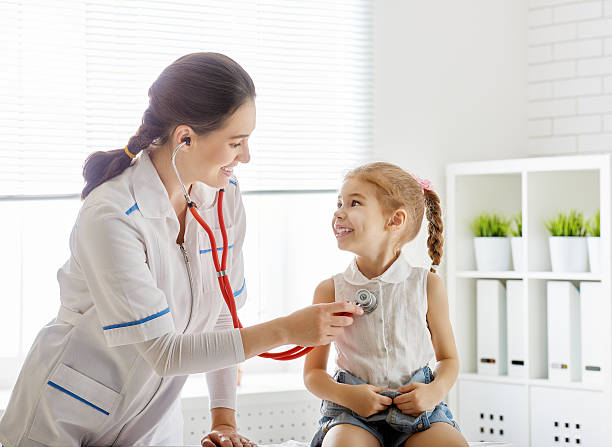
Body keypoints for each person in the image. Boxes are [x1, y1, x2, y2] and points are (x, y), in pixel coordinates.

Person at [0, 52, 363, 447]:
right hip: (64, 417)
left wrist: (224, 419)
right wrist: (286, 329)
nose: (246, 157)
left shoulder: (224, 198)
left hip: (151, 424)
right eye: (235, 143)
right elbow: (163, 352)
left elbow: (222, 315)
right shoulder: (111, 215)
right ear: (185, 138)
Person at [303, 162, 469, 447]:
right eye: (339, 202)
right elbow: (312, 374)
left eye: (354, 202)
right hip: (353, 413)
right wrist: (348, 396)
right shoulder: (330, 290)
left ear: (394, 220)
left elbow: (449, 360)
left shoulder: (427, 285)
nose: (338, 211)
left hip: (419, 412)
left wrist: (434, 392)